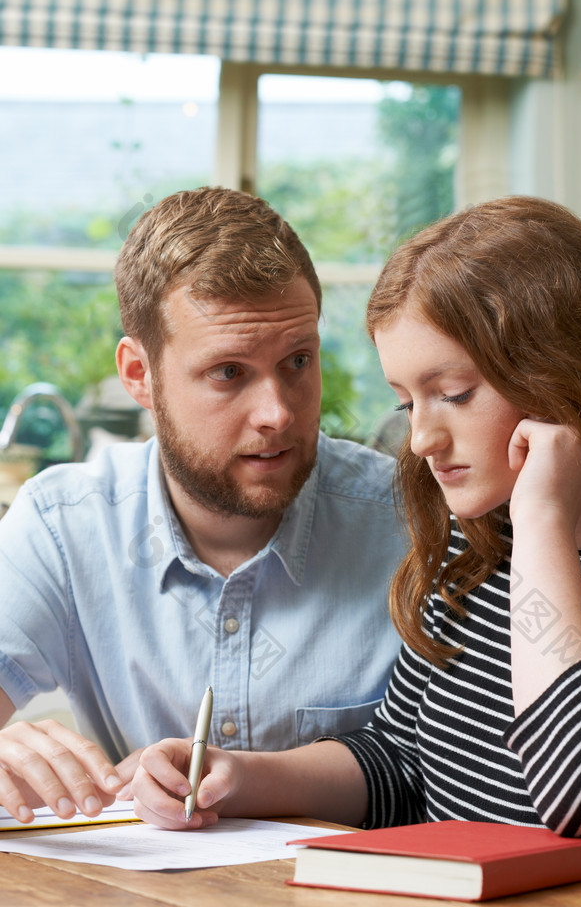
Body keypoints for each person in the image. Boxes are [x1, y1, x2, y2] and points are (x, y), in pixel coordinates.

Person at [133, 196, 581, 907]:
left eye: (454, 394)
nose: (425, 437)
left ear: (566, 375)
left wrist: (542, 519)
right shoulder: (473, 556)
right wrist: (244, 776)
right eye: (408, 403)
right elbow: (401, 761)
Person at [0, 187, 404, 825]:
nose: (277, 413)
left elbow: (450, 772)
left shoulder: (412, 523)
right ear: (140, 376)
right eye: (228, 373)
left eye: (298, 361)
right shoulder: (65, 525)